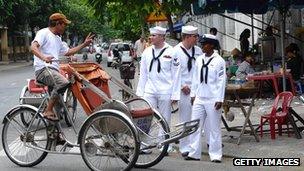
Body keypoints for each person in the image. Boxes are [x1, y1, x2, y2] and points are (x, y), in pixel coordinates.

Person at [31, 13, 94, 121]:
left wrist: (84, 44)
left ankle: (55, 136)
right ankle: (47, 110)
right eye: (64, 24)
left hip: (53, 72)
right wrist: (43, 57)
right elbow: (33, 47)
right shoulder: (44, 33)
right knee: (63, 82)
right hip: (43, 70)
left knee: (58, 107)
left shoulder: (58, 39)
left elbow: (68, 52)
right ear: (58, 24)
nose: (65, 27)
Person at [136, 26, 181, 154]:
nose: (151, 38)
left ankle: (164, 145)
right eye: (151, 35)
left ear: (162, 37)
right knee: (145, 118)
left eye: (154, 35)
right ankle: (144, 145)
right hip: (150, 90)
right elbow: (143, 73)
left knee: (164, 118)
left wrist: (175, 94)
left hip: (165, 90)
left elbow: (176, 74)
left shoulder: (172, 52)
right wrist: (140, 92)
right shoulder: (147, 52)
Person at [185, 34, 226, 163]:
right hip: (200, 98)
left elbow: (221, 81)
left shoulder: (219, 60)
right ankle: (194, 153)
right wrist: (193, 94)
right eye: (202, 44)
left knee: (214, 128)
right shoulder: (199, 60)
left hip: (213, 99)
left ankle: (215, 155)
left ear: (212, 45)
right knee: (195, 125)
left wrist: (220, 99)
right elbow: (195, 79)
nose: (202, 46)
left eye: (205, 44)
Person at [171, 25, 203, 157]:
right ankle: (185, 146)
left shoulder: (198, 51)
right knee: (185, 119)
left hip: (197, 89)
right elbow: (172, 72)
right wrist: (181, 86)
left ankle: (194, 145)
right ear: (187, 37)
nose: (197, 39)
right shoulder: (175, 51)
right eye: (194, 37)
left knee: (197, 119)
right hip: (184, 89)